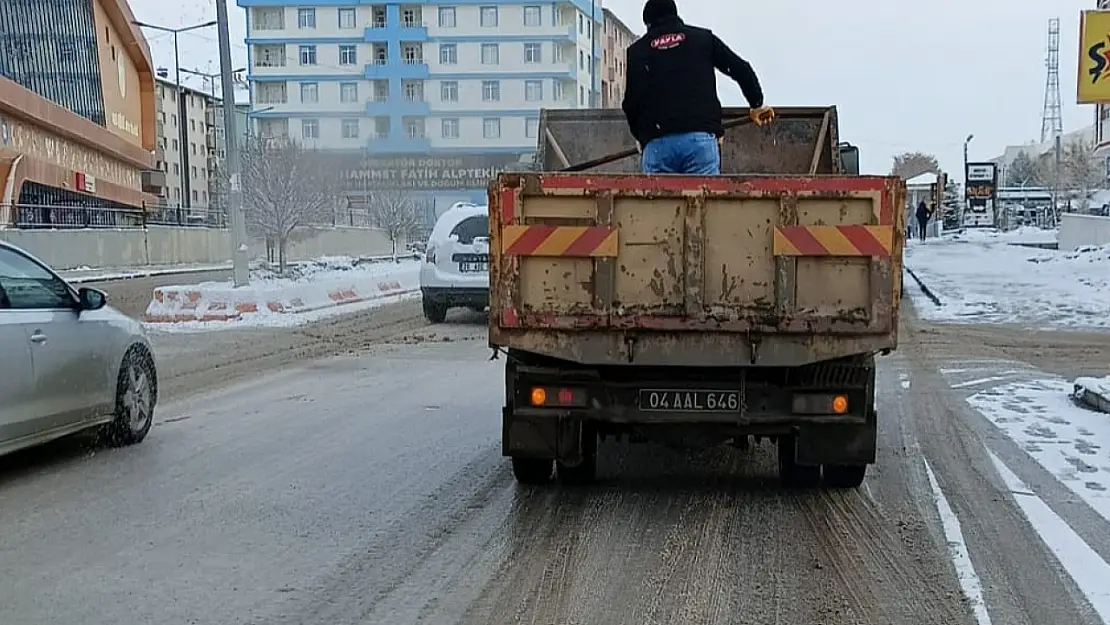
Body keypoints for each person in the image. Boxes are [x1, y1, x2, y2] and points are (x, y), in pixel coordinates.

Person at [621, 0, 775, 175]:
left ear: (648, 23)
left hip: (658, 145)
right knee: (704, 200)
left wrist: (642, 137)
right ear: (676, 15)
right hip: (699, 142)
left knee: (659, 202)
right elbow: (741, 68)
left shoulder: (637, 51)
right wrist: (756, 103)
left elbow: (631, 103)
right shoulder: (703, 39)